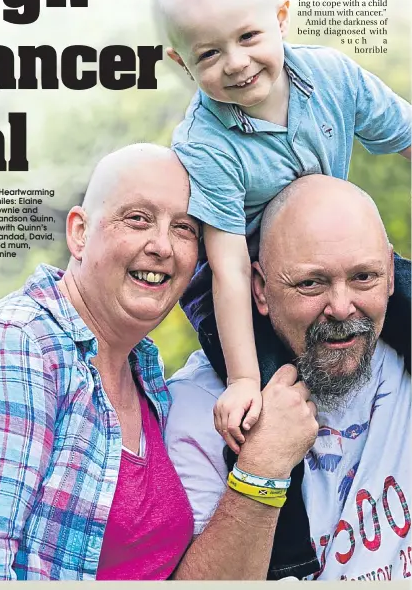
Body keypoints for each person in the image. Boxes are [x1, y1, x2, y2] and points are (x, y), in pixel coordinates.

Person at [0, 144, 318, 581]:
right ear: (79, 233)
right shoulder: (20, 344)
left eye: (184, 228)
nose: (162, 246)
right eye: (138, 219)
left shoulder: (144, 372)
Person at [153, 0, 411, 449]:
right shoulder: (205, 144)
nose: (236, 63)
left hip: (328, 256)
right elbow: (229, 271)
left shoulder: (334, 78)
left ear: (281, 18)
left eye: (249, 36)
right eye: (208, 54)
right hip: (239, 285)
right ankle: (284, 518)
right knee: (270, 416)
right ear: (181, 62)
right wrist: (244, 380)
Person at [165, 175, 411, 580]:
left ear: (388, 271)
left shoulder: (402, 353)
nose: (342, 307)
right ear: (260, 290)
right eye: (311, 283)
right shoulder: (198, 407)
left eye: (363, 277)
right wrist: (261, 469)